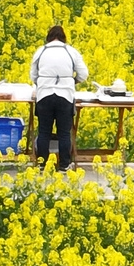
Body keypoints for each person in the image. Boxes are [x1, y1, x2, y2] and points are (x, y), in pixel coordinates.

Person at [30, 24, 88, 171]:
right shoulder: (71, 51)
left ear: (48, 38)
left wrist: (43, 83)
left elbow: (33, 76)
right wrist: (72, 81)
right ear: (63, 38)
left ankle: (42, 164)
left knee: (44, 131)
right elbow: (83, 74)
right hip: (65, 96)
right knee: (63, 133)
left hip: (44, 96)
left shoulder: (41, 51)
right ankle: (64, 165)